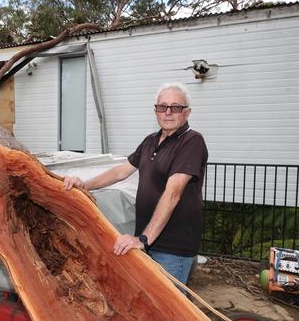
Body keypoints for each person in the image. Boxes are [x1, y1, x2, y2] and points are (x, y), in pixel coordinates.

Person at [63, 82, 208, 285]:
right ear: (155, 110)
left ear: (187, 113)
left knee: (166, 308)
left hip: (173, 246)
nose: (167, 112)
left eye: (175, 107)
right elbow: (120, 171)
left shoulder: (191, 142)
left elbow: (173, 193)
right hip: (148, 241)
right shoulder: (151, 141)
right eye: (162, 106)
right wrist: (84, 186)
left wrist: (143, 239)